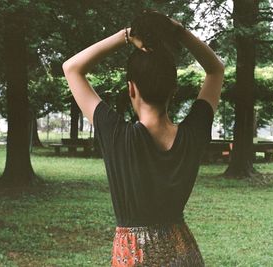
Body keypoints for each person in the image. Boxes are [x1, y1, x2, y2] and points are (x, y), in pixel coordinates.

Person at [62, 10, 224, 267]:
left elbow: (72, 68)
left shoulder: (117, 136)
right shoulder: (192, 134)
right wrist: (178, 31)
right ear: (174, 89)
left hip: (134, 258)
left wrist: (126, 36)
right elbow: (215, 70)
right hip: (184, 254)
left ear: (131, 88)